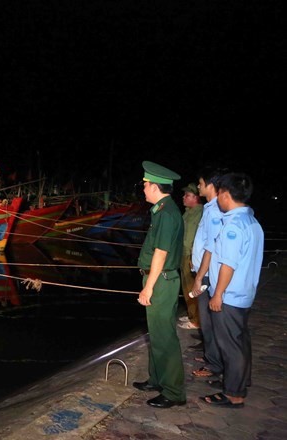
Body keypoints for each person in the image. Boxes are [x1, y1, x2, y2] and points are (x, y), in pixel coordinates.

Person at [199, 172, 263, 408]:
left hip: (229, 296)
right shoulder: (252, 222)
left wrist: (217, 294)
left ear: (225, 194)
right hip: (244, 294)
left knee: (230, 346)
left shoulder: (233, 225)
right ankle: (239, 381)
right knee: (240, 340)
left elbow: (228, 264)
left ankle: (234, 394)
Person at [132, 161, 186, 409]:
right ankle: (157, 379)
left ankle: (174, 392)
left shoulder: (166, 213)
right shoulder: (164, 209)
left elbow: (161, 253)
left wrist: (149, 287)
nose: (143, 189)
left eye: (145, 185)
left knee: (164, 337)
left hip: (161, 280)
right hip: (160, 278)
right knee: (156, 333)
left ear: (154, 186)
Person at [190, 167, 228, 380]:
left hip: (206, 275)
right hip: (202, 271)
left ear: (211, 185)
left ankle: (214, 364)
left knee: (208, 321)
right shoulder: (210, 208)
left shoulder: (214, 211)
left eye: (201, 183)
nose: (198, 187)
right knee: (207, 321)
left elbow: (210, 248)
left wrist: (198, 277)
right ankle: (211, 357)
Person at [178, 183, 203, 330]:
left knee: (191, 289)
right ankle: (192, 315)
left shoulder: (200, 213)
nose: (183, 197)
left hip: (191, 257)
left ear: (195, 198)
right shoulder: (188, 212)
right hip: (183, 254)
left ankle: (196, 321)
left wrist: (194, 258)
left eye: (187, 195)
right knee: (186, 288)